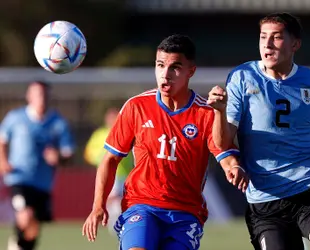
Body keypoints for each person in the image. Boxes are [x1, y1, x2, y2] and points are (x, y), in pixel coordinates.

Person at [82, 34, 248, 250]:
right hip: (141, 205)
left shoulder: (206, 113)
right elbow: (110, 159)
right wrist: (98, 206)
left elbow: (224, 153)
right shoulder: (136, 107)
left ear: (191, 71)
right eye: (160, 65)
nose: (165, 75)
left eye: (175, 68)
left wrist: (233, 167)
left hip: (185, 213)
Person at [208, 13, 310, 250]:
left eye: (276, 37)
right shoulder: (243, 77)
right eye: (263, 37)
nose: (267, 44)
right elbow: (222, 142)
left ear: (295, 44)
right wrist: (219, 112)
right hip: (265, 197)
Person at [0, 81, 75, 250]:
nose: (42, 98)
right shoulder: (16, 117)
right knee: (25, 214)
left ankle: (17, 245)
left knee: (33, 227)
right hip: (18, 178)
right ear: (29, 96)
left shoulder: (58, 123)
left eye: (45, 94)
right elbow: (2, 139)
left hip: (43, 182)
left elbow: (68, 153)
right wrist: (3, 160)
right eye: (37, 93)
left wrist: (59, 157)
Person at [84, 107, 134, 233]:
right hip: (111, 173)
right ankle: (114, 225)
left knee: (124, 203)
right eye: (111, 117)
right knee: (114, 200)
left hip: (127, 175)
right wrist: (100, 158)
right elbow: (89, 153)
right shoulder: (99, 134)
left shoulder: (126, 131)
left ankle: (120, 225)